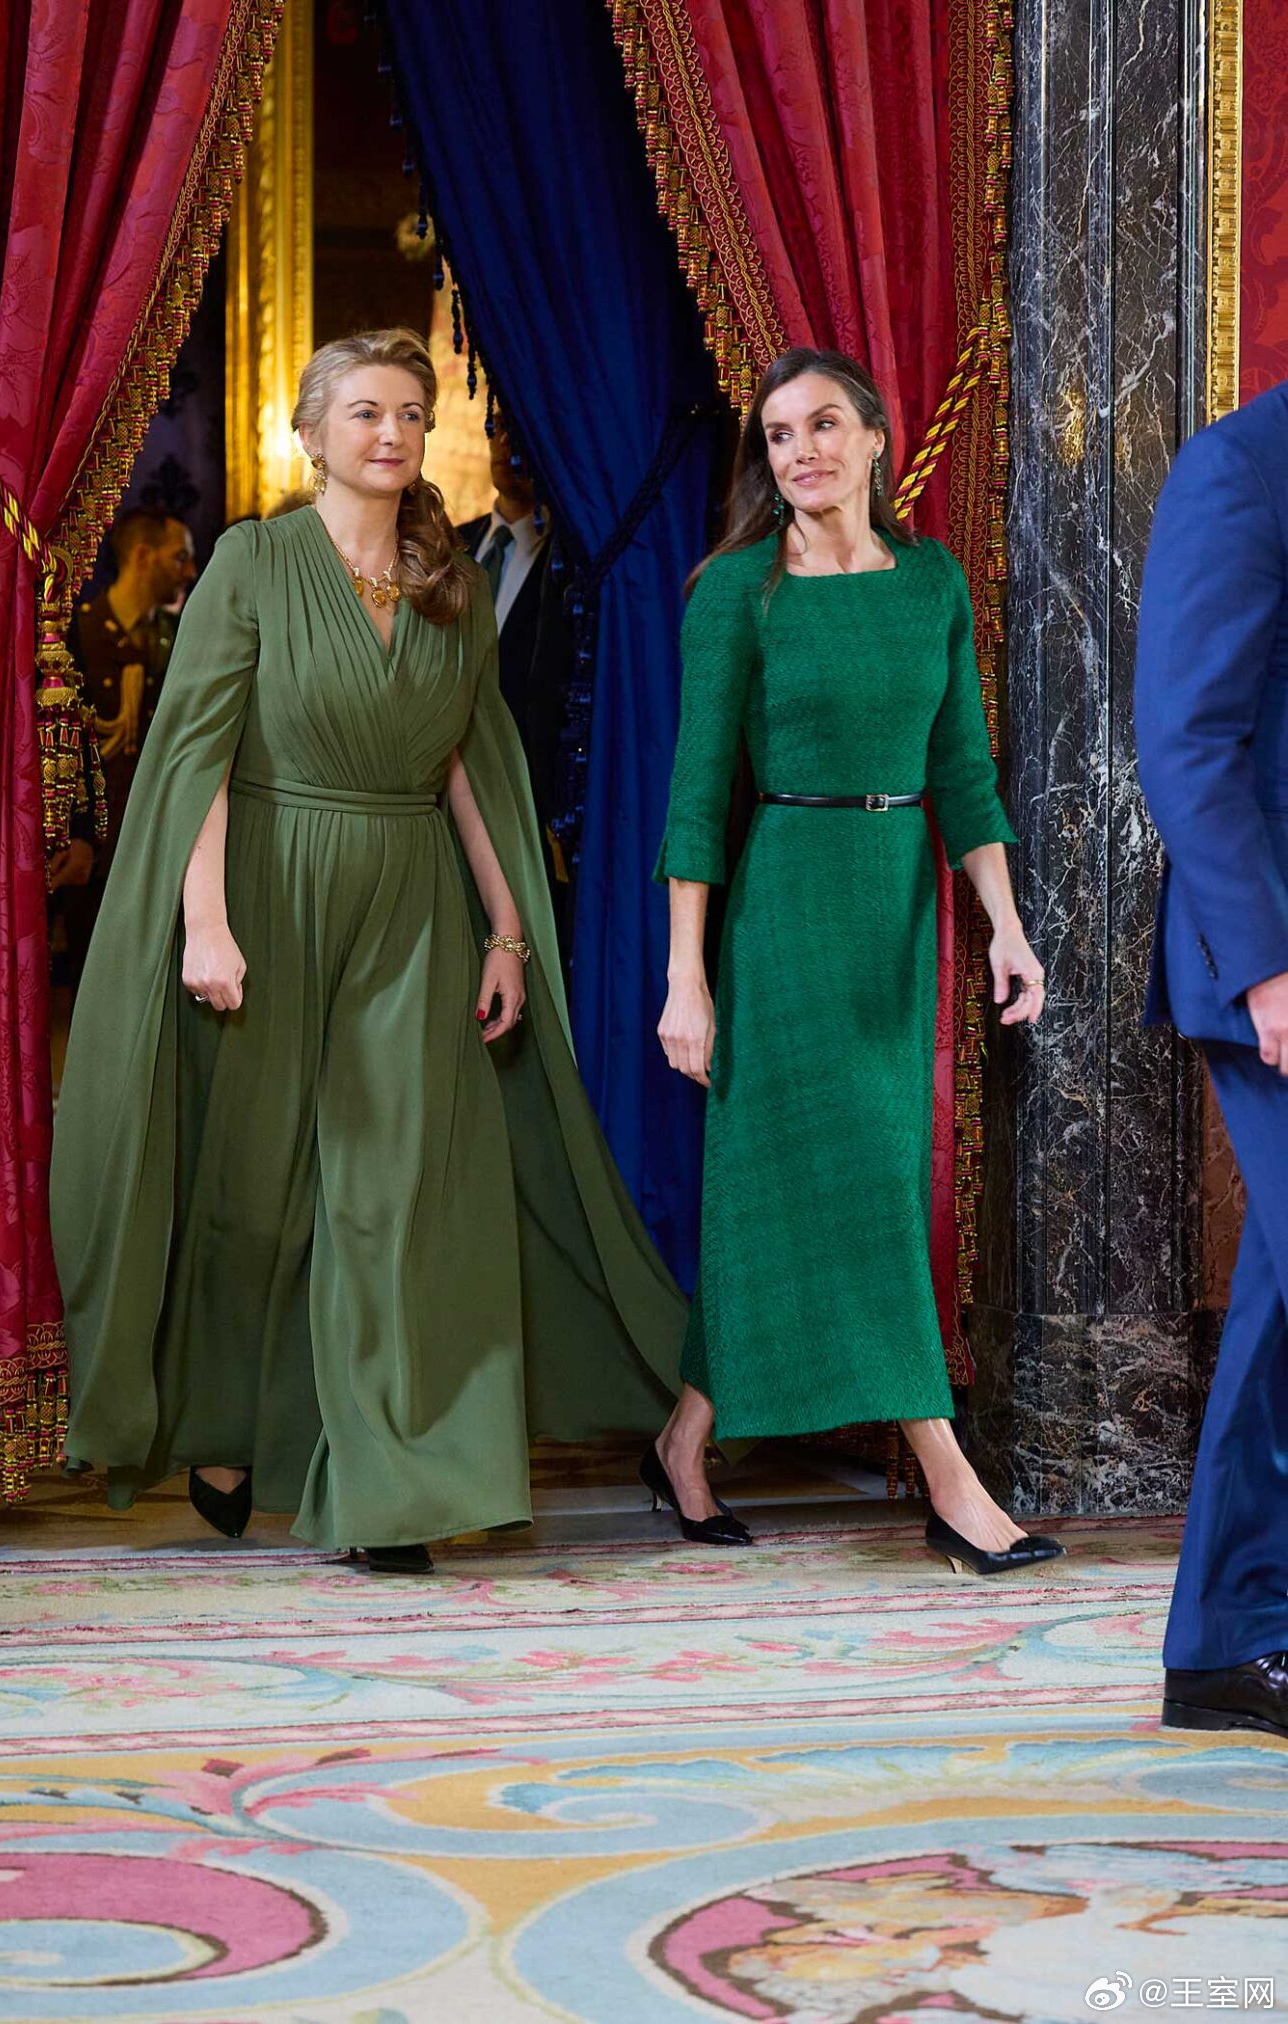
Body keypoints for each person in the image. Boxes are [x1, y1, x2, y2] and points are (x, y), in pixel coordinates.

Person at [50, 328, 685, 1573]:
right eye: (364, 412)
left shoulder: (450, 581)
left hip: (409, 905)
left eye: (409, 413)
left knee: (395, 1196)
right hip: (269, 890)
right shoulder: (252, 561)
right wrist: (205, 919)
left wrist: (506, 931)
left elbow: (469, 768)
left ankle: (389, 1484)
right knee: (257, 1196)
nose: (391, 432)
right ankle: (229, 1420)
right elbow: (198, 754)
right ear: (311, 432)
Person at [648, 347, 1062, 1576]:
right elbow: (695, 799)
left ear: (877, 438)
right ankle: (951, 1479)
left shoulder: (932, 582)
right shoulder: (738, 591)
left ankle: (683, 1437)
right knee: (860, 1195)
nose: (802, 452)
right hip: (784, 908)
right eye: (779, 436)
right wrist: (686, 976)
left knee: (820, 1186)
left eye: (823, 425)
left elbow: (965, 773)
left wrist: (1007, 926)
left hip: (896, 913)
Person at [1135, 380, 1288, 1739]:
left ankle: (1226, 1641)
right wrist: (1264, 968)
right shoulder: (1238, 470)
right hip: (1273, 961)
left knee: (1277, 1299)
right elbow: (1186, 740)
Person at [56, 508, 196, 981]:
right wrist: (75, 834)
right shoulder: (79, 633)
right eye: (178, 558)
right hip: (97, 849)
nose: (189, 571)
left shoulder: (174, 637)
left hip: (158, 845)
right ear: (142, 556)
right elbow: (65, 746)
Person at [457, 414, 574, 951]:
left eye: (522, 429)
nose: (508, 444)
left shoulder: (574, 564)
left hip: (528, 800)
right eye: (498, 428)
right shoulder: (451, 546)